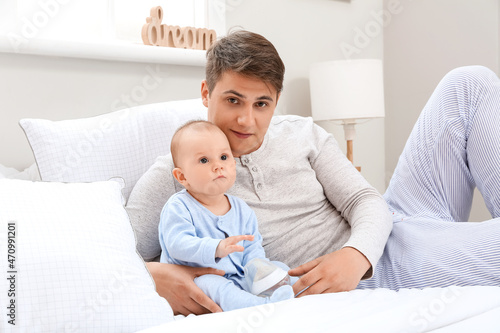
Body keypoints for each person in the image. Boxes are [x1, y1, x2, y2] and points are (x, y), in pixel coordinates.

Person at [126, 30, 500, 315]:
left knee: (469, 83)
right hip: (389, 268)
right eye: (233, 100)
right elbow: (116, 259)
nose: (246, 119)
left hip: (382, 235)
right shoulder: (178, 175)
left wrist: (357, 254)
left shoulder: (302, 133)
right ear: (207, 93)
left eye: (262, 104)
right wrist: (155, 276)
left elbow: (365, 200)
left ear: (276, 101)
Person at [158, 120, 294, 311]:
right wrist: (216, 248)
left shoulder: (241, 208)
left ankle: (300, 287)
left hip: (240, 274)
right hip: (199, 277)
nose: (218, 166)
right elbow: (177, 245)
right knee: (216, 287)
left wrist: (257, 266)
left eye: (223, 157)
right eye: (204, 160)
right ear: (182, 177)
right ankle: (259, 306)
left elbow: (252, 244)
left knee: (277, 268)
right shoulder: (179, 206)